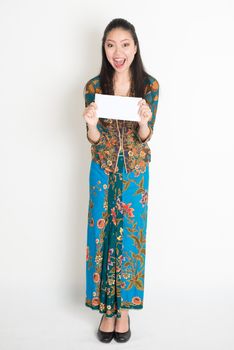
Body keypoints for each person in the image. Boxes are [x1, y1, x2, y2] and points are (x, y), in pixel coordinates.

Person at [82, 18, 159, 343]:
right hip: (103, 170)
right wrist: (91, 124)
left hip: (135, 174)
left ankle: (123, 310)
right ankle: (105, 308)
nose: (118, 51)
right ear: (104, 48)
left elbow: (145, 138)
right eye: (111, 44)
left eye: (125, 44)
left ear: (135, 47)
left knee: (129, 239)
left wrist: (144, 122)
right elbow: (95, 139)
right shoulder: (93, 87)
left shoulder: (149, 87)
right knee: (101, 236)